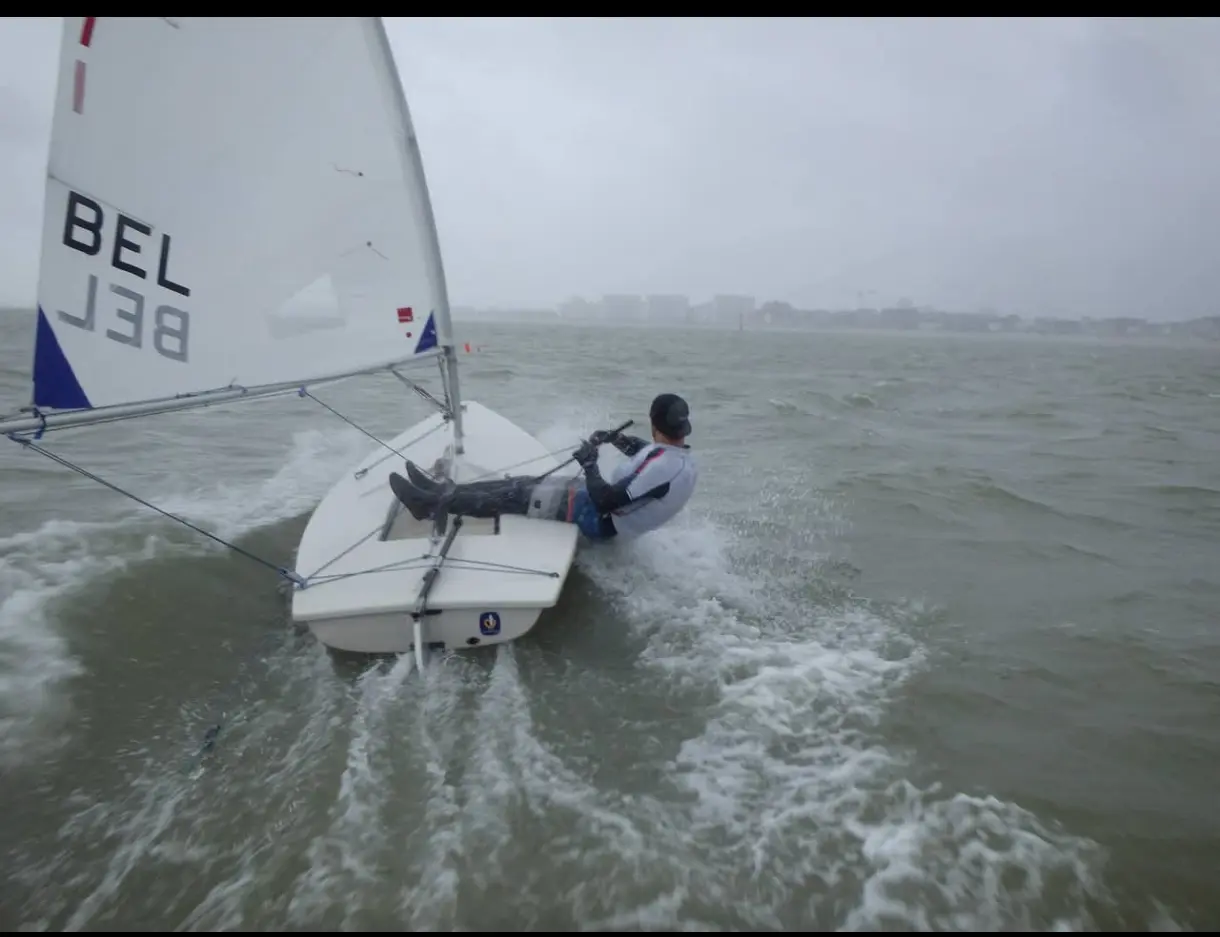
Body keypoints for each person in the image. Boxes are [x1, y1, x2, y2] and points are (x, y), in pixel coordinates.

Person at [389, 393, 699, 541]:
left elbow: (608, 500)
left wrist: (590, 464)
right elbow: (645, 452)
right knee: (522, 482)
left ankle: (429, 506)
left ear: (654, 422)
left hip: (599, 519)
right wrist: (614, 438)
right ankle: (444, 492)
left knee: (515, 496)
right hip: (596, 503)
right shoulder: (677, 458)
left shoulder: (664, 467)